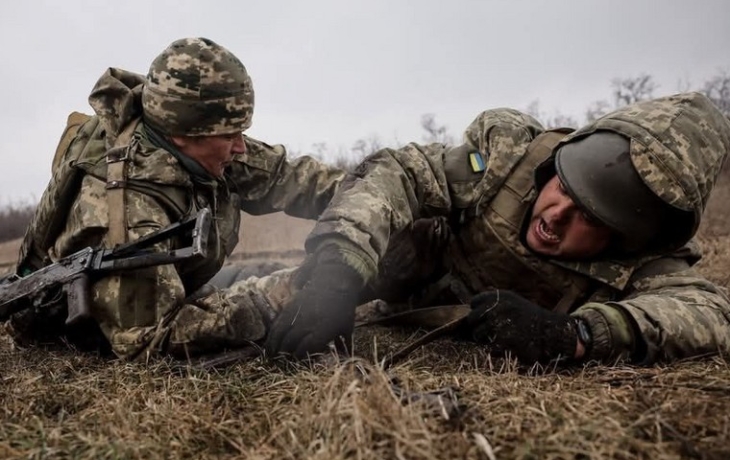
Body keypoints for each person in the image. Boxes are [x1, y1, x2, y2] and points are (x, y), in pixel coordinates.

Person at [256, 91, 730, 366]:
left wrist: (577, 334)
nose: (557, 213)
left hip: (423, 310)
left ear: (629, 237)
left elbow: (709, 315)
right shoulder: (506, 160)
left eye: (590, 215)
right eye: (564, 185)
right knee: (264, 294)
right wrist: (340, 268)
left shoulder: (648, 262)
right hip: (385, 278)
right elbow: (400, 172)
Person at [6, 37, 345, 361]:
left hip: (176, 280)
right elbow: (151, 340)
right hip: (96, 321)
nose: (241, 146)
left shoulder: (190, 135)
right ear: (181, 135)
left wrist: (370, 202)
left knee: (272, 272)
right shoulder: (127, 210)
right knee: (284, 284)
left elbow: (289, 178)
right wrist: (280, 297)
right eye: (229, 135)